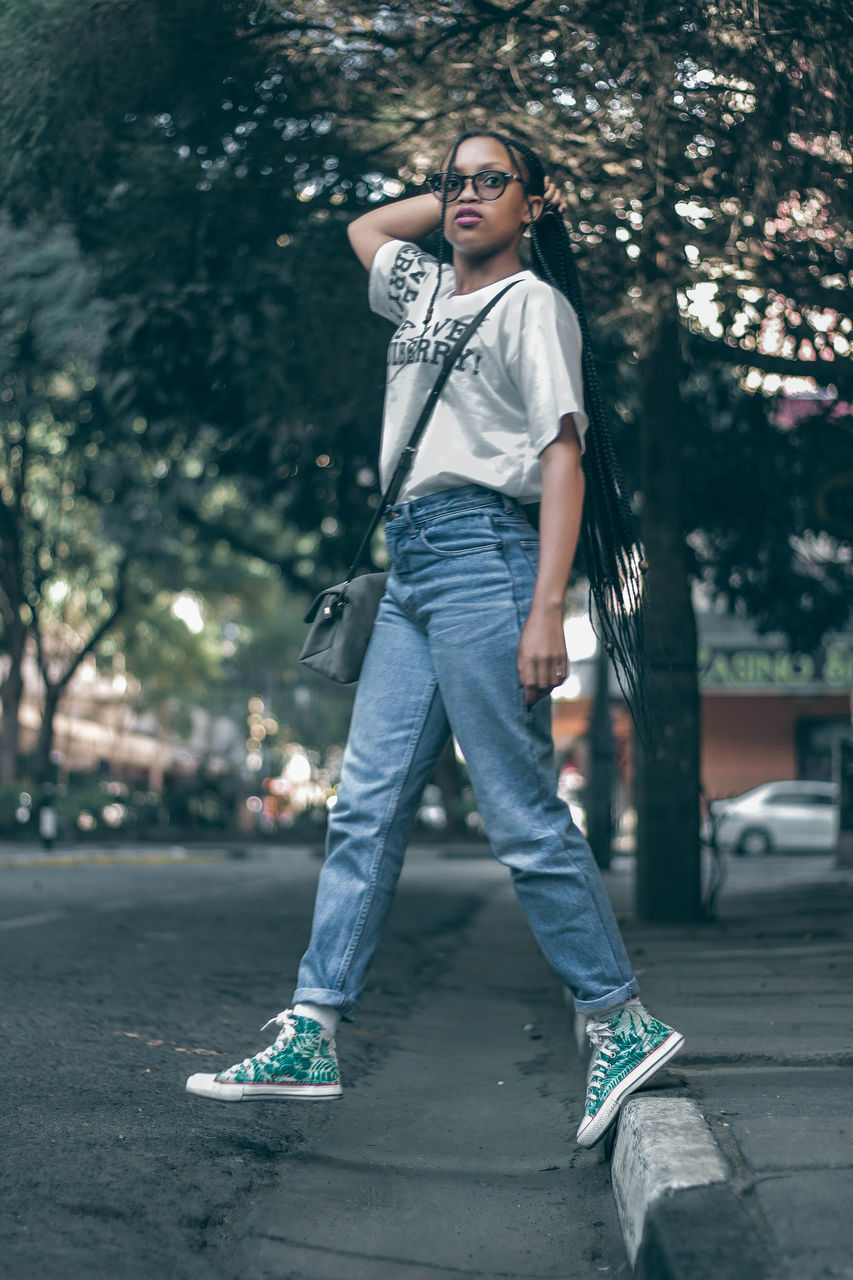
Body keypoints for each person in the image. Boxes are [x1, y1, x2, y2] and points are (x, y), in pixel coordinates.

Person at [187, 131, 684, 1148]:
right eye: (453, 181)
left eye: (489, 181)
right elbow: (363, 227)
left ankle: (619, 1018)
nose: (463, 195)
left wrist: (548, 606)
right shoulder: (418, 291)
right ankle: (313, 1028)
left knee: (516, 810)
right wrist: (454, 197)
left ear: (535, 206)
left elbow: (561, 458)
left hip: (486, 562)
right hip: (410, 566)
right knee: (361, 806)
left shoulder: (533, 305)